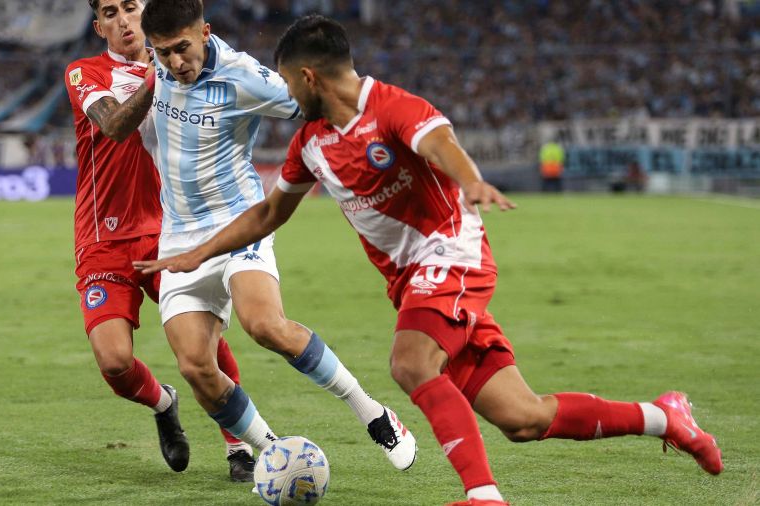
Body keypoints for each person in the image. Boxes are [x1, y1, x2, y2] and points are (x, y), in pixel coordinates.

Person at [138, 15, 724, 506]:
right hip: (413, 281)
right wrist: (198, 252)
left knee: (410, 361)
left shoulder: (390, 106)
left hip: (452, 253)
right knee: (521, 418)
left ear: (308, 76)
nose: (285, 96)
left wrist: (471, 181)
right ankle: (664, 417)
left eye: (289, 83)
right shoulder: (310, 143)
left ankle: (482, 497)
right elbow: (267, 217)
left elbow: (438, 142)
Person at [132, 0, 418, 477]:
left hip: (238, 222)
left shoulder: (246, 77)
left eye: (182, 48)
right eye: (162, 53)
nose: (175, 63)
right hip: (178, 239)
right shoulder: (155, 66)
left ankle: (373, 413)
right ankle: (275, 451)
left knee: (263, 325)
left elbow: (317, 100)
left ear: (205, 32)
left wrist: (378, 143)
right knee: (196, 369)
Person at [63, 0, 256, 481]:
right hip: (103, 238)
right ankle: (163, 402)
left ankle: (240, 444)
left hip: (171, 231)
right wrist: (157, 78)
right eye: (110, 12)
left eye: (131, 7)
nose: (123, 20)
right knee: (114, 361)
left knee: (206, 344)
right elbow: (114, 126)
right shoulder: (84, 72)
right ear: (99, 26)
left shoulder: (181, 64)